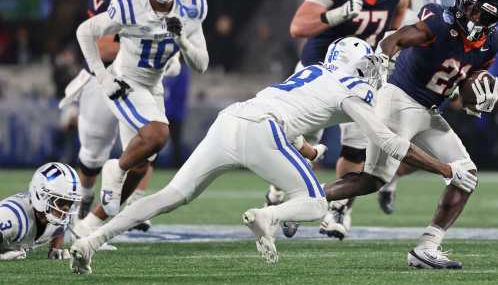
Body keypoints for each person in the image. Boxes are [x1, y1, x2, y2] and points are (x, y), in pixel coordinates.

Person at [69, 37, 476, 273]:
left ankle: (92, 240)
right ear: (355, 64)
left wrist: (306, 147)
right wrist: (445, 169)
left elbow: (291, 109)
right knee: (316, 203)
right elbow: (388, 144)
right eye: (368, 64)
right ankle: (269, 215)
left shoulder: (312, 72)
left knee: (172, 195)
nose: (374, 71)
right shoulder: (352, 89)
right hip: (264, 130)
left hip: (234, 119)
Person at [323, 0, 498, 269]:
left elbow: (468, 74)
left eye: (487, 17)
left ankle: (427, 247)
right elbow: (393, 39)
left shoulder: (492, 41)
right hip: (400, 99)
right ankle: (310, 196)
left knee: (467, 173)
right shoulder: (439, 21)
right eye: (475, 11)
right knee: (372, 180)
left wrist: (476, 94)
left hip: (431, 110)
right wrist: (382, 58)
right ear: (464, 3)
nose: (478, 20)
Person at [281, 0, 409, 240]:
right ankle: (291, 200)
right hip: (320, 70)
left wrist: (390, 40)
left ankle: (337, 210)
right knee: (300, 143)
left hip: (361, 76)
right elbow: (298, 27)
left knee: (355, 150)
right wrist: (335, 16)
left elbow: (400, 9)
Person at [74, 0, 208, 224]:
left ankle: (90, 227)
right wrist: (102, 76)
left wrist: (182, 41)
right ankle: (112, 170)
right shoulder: (128, 5)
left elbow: (201, 64)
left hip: (153, 85)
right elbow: (85, 31)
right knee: (156, 135)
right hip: (125, 81)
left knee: (141, 165)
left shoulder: (193, 4)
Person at [59, 0, 157, 237]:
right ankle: (85, 201)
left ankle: (123, 210)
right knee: (92, 154)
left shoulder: (161, 0)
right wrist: (146, 42)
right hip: (102, 81)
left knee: (147, 147)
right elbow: (102, 48)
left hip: (140, 82)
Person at [376, 0, 441, 214]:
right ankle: (340, 209)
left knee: (426, 149)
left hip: (417, 79)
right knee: (363, 145)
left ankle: (390, 178)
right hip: (379, 74)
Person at [0, 163, 81, 261]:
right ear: (41, 196)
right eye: (61, 202)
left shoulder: (54, 215)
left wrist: (55, 249)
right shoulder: (13, 216)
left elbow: (59, 228)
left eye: (70, 203)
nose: (65, 209)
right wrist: (3, 257)